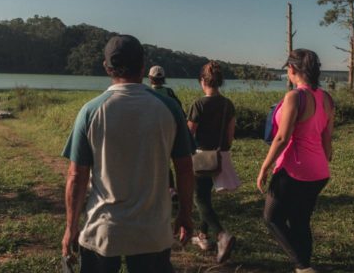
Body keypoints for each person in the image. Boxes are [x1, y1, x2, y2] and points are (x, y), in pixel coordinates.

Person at [61, 34, 194, 273]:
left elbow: (76, 177)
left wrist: (71, 227)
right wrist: (185, 212)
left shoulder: (91, 111)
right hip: (152, 232)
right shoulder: (169, 109)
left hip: (103, 230)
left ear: (106, 67)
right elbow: (184, 168)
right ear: (143, 67)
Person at [257, 49, 334, 273]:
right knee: (300, 221)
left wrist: (264, 166)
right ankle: (303, 266)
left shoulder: (295, 97)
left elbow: (282, 137)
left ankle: (303, 265)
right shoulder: (327, 98)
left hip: (294, 169)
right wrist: (324, 159)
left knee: (271, 218)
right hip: (319, 171)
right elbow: (327, 138)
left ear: (292, 69)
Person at [187, 61, 236, 263]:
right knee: (205, 196)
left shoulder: (198, 104)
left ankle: (221, 234)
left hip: (200, 157)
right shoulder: (227, 105)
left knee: (199, 198)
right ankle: (202, 237)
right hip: (219, 156)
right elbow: (230, 135)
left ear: (202, 81)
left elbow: (189, 134)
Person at [148, 65, 184, 201]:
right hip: (169, 131)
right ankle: (171, 189)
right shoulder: (169, 93)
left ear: (150, 78)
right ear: (163, 78)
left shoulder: (146, 92)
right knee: (167, 161)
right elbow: (180, 111)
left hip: (151, 132)